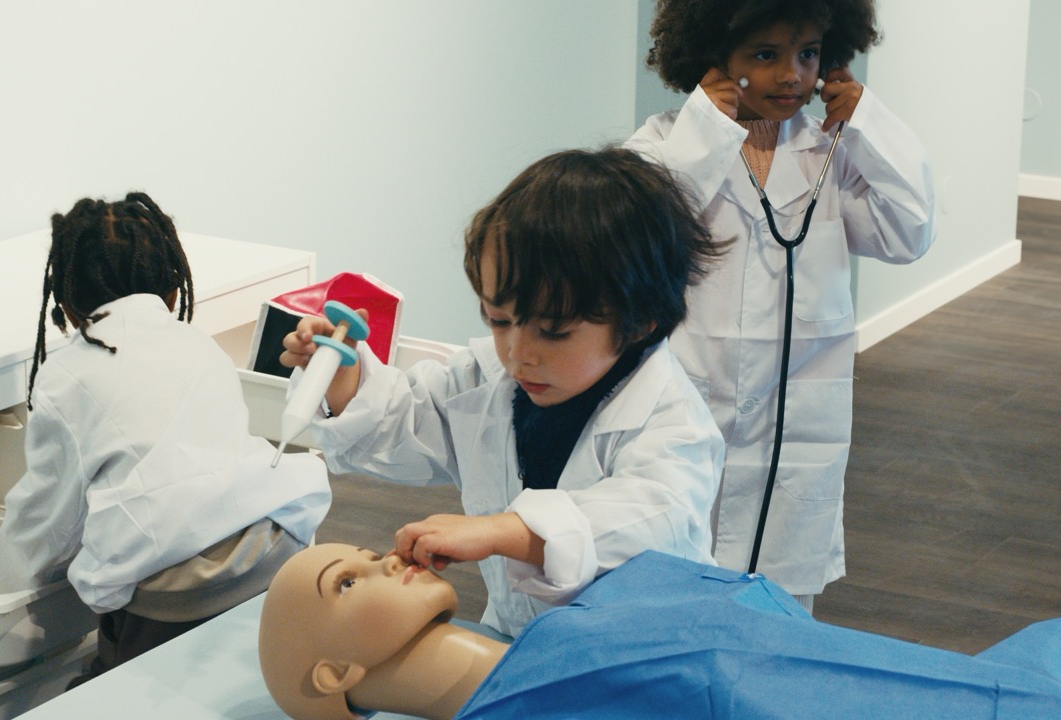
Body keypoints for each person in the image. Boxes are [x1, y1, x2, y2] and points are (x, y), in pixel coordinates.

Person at [280, 148, 727, 637]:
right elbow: (404, 421)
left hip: (638, 657)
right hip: (517, 642)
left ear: (640, 320)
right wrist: (342, 380)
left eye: (553, 331)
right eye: (499, 320)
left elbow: (648, 521)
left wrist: (499, 531)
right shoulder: (489, 379)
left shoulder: (672, 421)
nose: (518, 354)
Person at [624, 0, 936, 609]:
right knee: (674, 586)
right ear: (714, 56)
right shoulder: (667, 142)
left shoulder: (833, 155)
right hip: (692, 409)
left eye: (808, 54)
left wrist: (869, 122)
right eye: (765, 56)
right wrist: (707, 135)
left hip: (797, 426)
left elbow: (910, 232)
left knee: (781, 606)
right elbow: (636, 233)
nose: (791, 75)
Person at [0, 192, 331, 686]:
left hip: (176, 599)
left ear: (67, 307)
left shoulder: (66, 376)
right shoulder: (198, 344)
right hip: (274, 550)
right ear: (171, 291)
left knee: (112, 688)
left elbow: (44, 518)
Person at [259, 543, 1061, 720]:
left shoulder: (577, 628)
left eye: (365, 553)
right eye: (349, 580)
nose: (380, 559)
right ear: (333, 676)